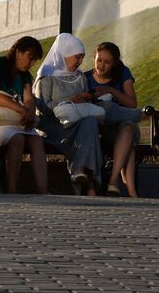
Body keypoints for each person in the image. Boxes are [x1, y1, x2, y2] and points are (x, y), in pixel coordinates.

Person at [0, 35, 48, 194]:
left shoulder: (25, 76)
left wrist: (30, 110)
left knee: (37, 140)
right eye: (30, 57)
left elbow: (29, 99)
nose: (31, 63)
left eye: (35, 61)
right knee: (18, 139)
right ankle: (12, 190)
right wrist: (22, 110)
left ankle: (43, 190)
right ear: (18, 52)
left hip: (11, 123)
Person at [34, 33, 104, 196]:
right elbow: (43, 107)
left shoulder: (79, 77)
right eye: (77, 57)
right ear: (64, 54)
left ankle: (79, 172)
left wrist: (87, 98)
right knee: (88, 132)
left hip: (78, 124)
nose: (80, 62)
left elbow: (86, 105)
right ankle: (91, 185)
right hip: (54, 127)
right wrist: (70, 101)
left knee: (90, 123)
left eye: (82, 58)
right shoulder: (46, 77)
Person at [87, 41, 141, 197]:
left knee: (128, 128)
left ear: (115, 63)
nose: (101, 65)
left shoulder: (123, 73)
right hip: (99, 132)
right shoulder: (85, 78)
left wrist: (111, 90)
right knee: (127, 136)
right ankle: (130, 191)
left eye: (107, 62)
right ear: (94, 59)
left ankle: (113, 180)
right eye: (99, 60)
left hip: (120, 128)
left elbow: (132, 103)